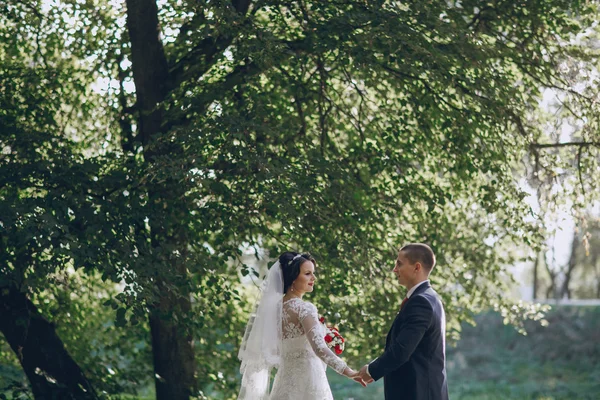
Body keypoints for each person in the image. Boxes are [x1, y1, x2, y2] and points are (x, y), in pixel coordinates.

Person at [238, 251, 365, 399]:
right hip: (309, 383)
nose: (313, 278)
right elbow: (319, 348)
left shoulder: (274, 311)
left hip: (284, 384)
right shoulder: (304, 308)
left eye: (313, 273)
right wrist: (348, 371)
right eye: (307, 274)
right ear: (293, 278)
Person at [357, 243, 449, 400]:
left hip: (417, 393)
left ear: (416, 267)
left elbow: (401, 350)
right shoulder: (430, 297)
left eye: (399, 264)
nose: (394, 269)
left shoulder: (421, 302)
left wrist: (371, 370)